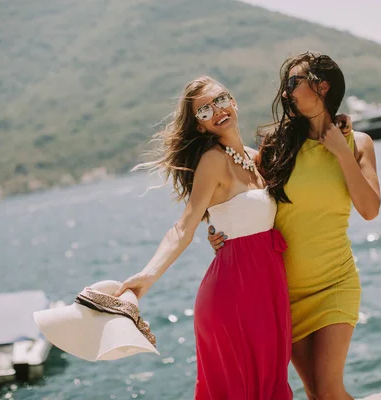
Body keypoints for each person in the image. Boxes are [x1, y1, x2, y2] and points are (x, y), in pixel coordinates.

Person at [208, 52, 381, 400]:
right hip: (284, 293)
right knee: (316, 392)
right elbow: (246, 191)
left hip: (335, 282)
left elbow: (370, 209)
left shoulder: (357, 143)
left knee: (330, 391)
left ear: (322, 85)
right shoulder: (276, 147)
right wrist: (222, 231)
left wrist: (342, 154)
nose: (286, 92)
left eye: (293, 82)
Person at [115, 76, 293, 399]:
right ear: (200, 126)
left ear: (234, 101)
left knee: (270, 384)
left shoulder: (256, 160)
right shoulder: (213, 161)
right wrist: (147, 276)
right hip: (234, 294)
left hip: (267, 288)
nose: (217, 111)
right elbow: (184, 227)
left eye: (221, 100)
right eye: (205, 110)